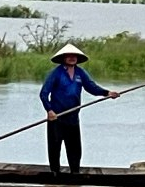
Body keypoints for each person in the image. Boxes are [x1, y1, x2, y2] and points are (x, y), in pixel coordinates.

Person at [39, 43, 119, 175]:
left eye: (74, 56)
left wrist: (107, 93)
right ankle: (54, 175)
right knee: (54, 148)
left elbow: (92, 87)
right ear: (64, 58)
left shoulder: (80, 73)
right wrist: (49, 110)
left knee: (75, 149)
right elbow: (43, 94)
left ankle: (75, 175)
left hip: (72, 118)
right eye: (69, 56)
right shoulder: (56, 73)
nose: (72, 58)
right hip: (56, 118)